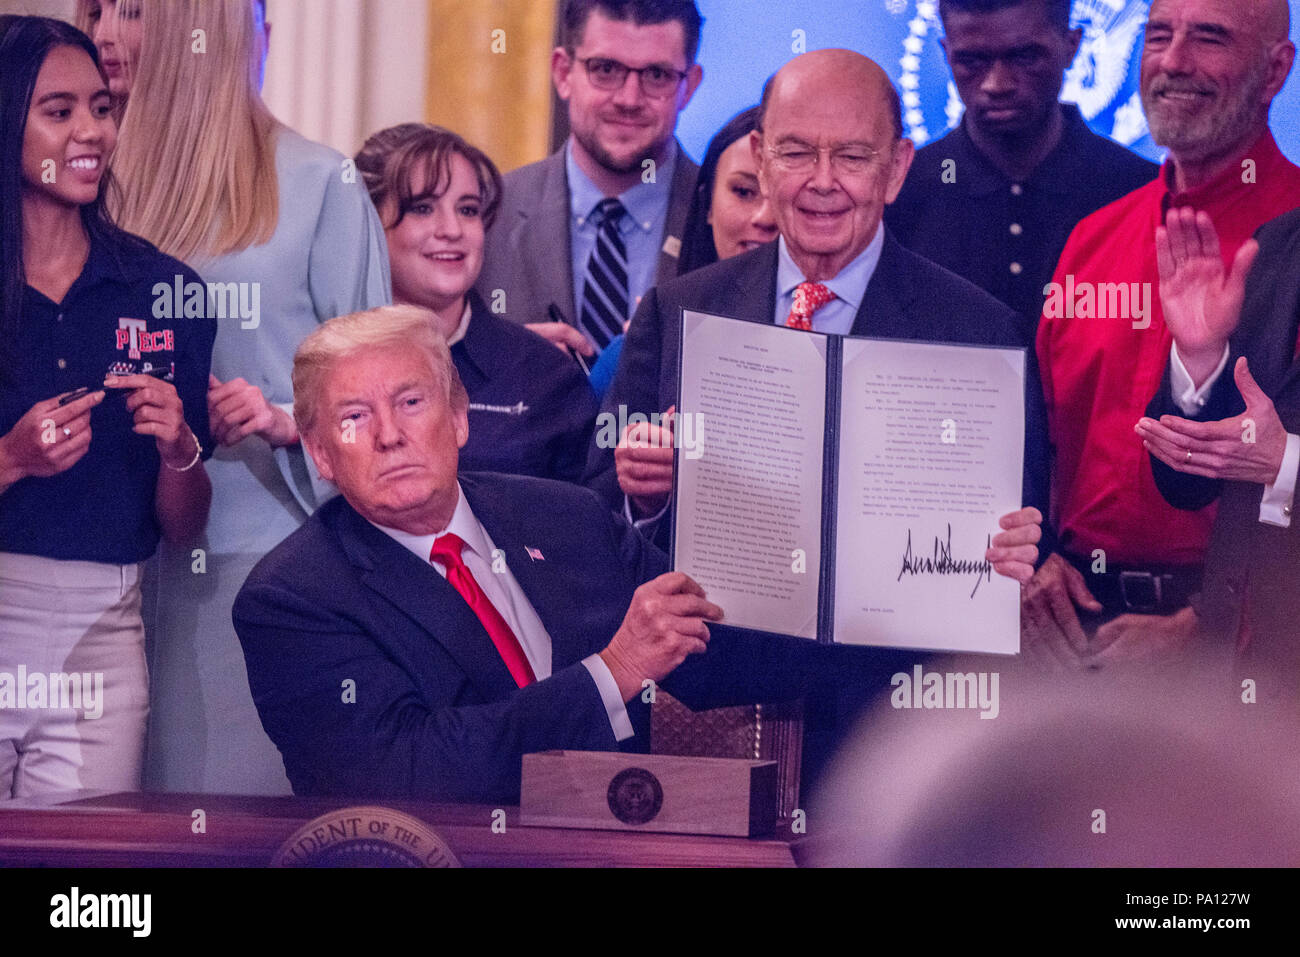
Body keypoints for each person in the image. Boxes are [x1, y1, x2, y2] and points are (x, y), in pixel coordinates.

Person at [231, 306, 1042, 802]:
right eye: (352, 419)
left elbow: (735, 643)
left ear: (460, 418)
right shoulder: (294, 596)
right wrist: (611, 673)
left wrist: (951, 576)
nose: (390, 433)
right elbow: (404, 772)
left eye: (411, 402)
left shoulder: (566, 515)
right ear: (318, 452)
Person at [584, 48, 1050, 791]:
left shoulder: (980, 329)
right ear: (763, 159)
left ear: (897, 169)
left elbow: (1031, 520)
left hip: (896, 730)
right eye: (797, 152)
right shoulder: (679, 310)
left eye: (853, 156)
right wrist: (647, 495)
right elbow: (597, 515)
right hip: (708, 714)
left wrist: (1018, 544)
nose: (823, 182)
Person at [99, 0, 391, 795]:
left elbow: (378, 401)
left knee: (222, 816)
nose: (102, 35)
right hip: (96, 564)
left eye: (128, 11)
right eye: (93, 8)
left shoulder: (316, 183)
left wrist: (285, 419)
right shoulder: (83, 184)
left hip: (254, 565)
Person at [1028, 0, 1299, 666]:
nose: (1174, 61)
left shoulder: (1293, 237)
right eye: (1158, 35)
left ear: (1275, 71)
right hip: (1069, 645)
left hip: (1252, 659)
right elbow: (1036, 442)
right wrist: (1032, 562)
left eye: (1209, 37)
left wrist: (1209, 627)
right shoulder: (1092, 239)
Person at [0, 16, 214, 798]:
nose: (92, 130)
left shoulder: (167, 290)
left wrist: (178, 449)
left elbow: (185, 525)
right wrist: (14, 458)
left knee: (83, 889)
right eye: (58, 111)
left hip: (106, 628)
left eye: (100, 106)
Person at [885, 0, 1157, 337]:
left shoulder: (1144, 193)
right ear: (946, 53)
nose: (997, 84)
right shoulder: (897, 197)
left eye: (1025, 57)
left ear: (1072, 46)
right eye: (972, 61)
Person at [356, 123, 597, 483]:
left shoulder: (544, 375)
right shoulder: (326, 366)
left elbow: (590, 523)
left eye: (467, 210)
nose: (452, 230)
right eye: (423, 208)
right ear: (369, 222)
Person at [476, 0, 703, 362]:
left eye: (657, 75)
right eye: (606, 69)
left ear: (689, 86)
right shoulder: (485, 213)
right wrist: (494, 360)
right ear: (563, 73)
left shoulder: (733, 218)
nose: (629, 99)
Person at [1137, 206, 1300, 713]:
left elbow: (1275, 453)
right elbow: (1187, 486)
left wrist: (1287, 464)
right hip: (1248, 680)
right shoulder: (1277, 241)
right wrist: (1202, 360)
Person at [677, 105, 778, 275]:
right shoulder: (667, 300)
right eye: (744, 192)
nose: (765, 218)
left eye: (782, 196)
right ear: (708, 203)